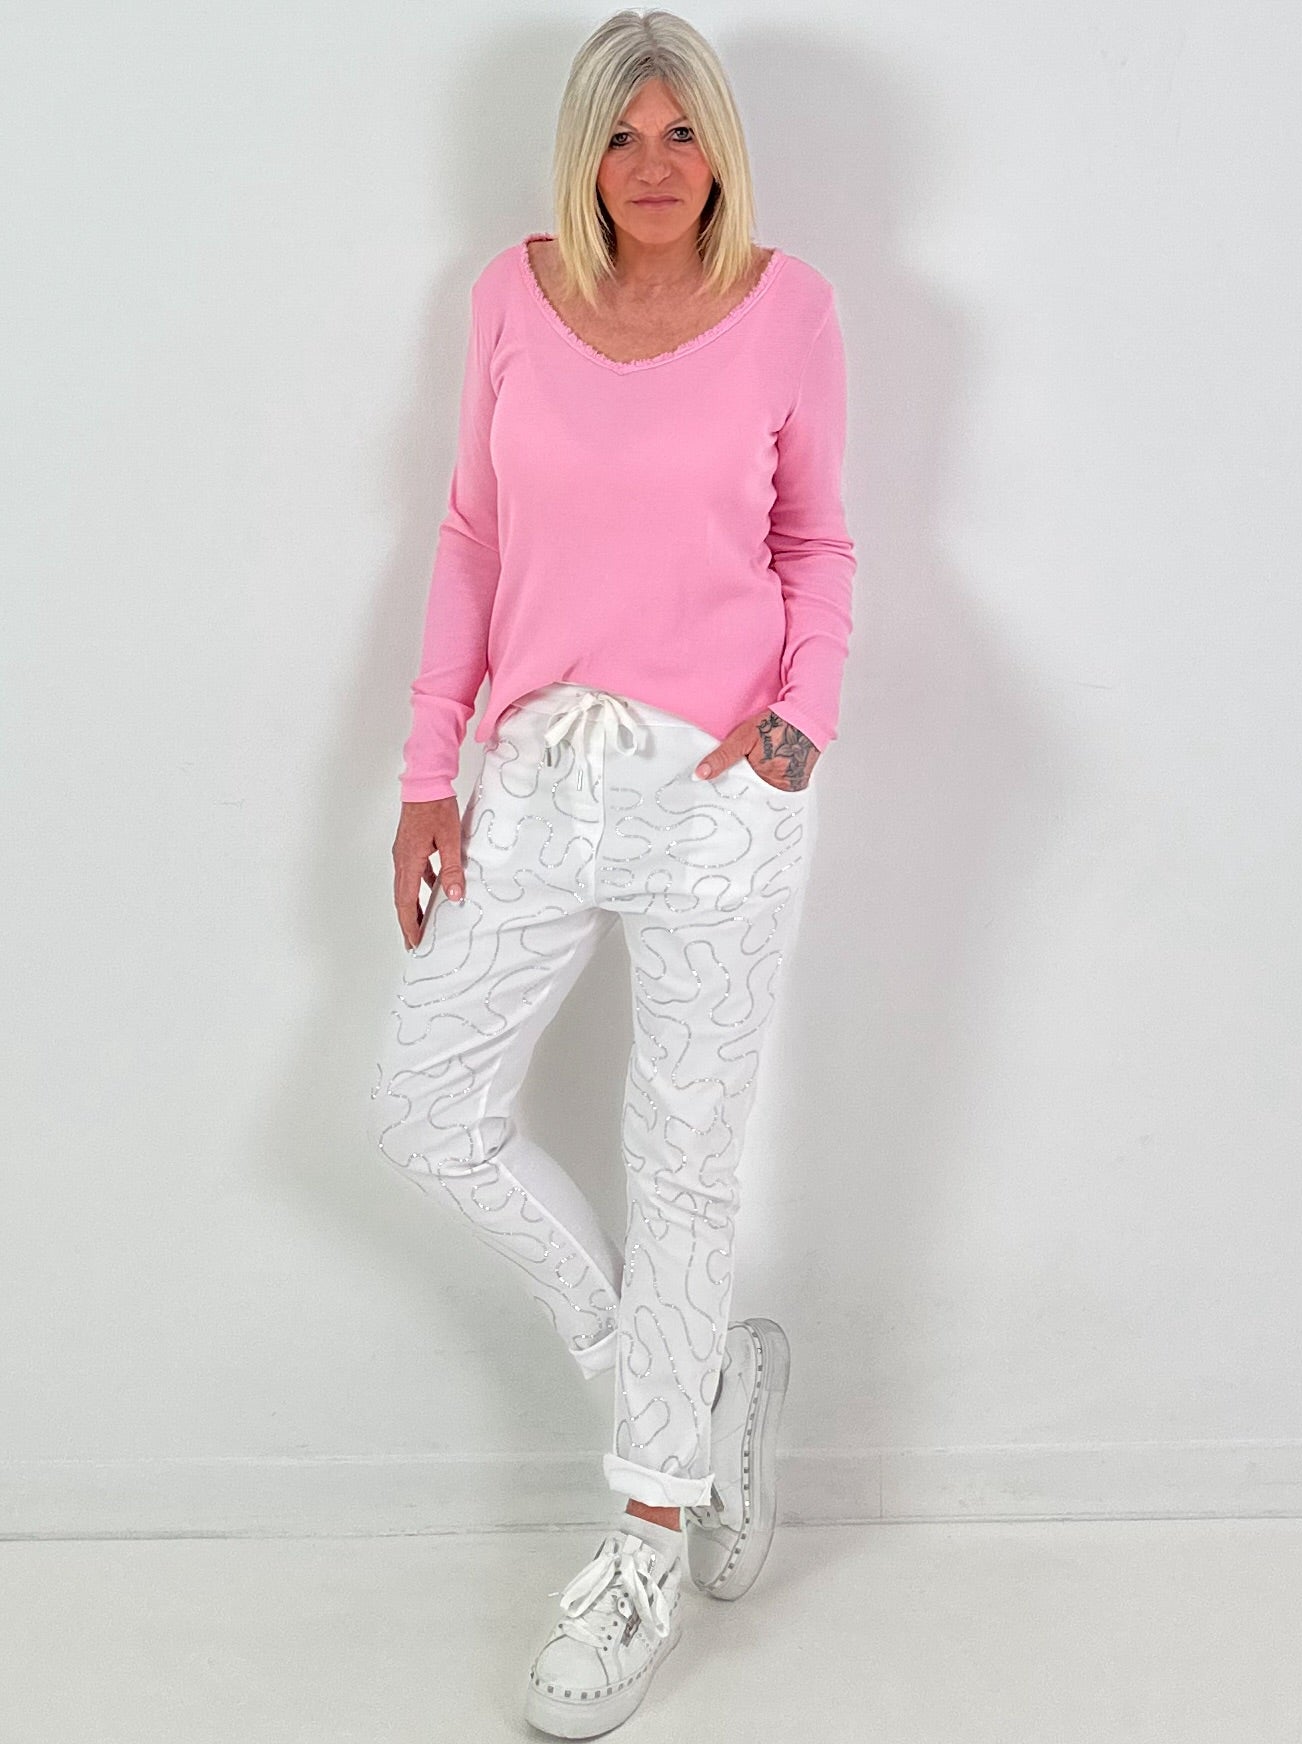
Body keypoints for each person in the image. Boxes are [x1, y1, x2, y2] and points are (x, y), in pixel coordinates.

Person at [368, 9, 855, 1736]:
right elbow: (470, 534)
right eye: (623, 136)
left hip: (720, 793)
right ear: (581, 153)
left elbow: (815, 540)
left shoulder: (788, 308)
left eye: (682, 132)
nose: (655, 166)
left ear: (721, 147)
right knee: (427, 1109)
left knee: (682, 1162)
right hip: (537, 781)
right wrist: (430, 773)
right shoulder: (511, 297)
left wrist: (799, 722)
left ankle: (648, 1535)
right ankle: (670, 1368)